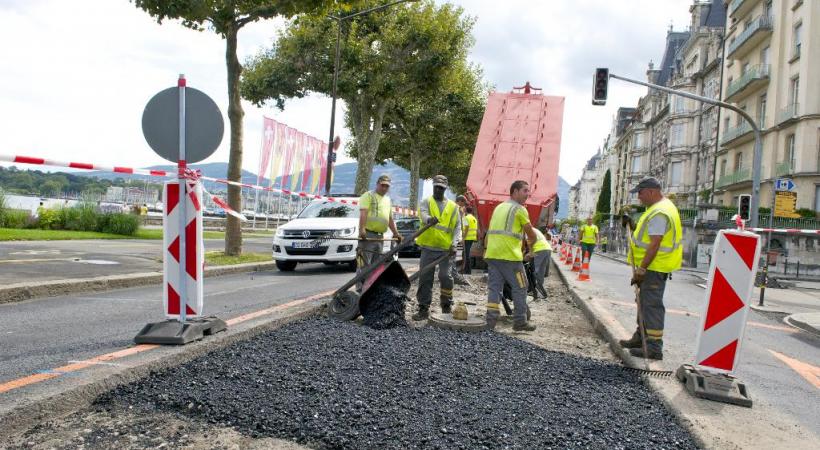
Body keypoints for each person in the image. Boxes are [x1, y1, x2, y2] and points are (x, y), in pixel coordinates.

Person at [618, 177, 682, 360]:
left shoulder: (660, 212)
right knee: (643, 302)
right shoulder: (659, 208)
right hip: (653, 266)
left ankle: (654, 347)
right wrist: (633, 225)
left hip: (654, 267)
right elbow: (648, 235)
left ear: (652, 191)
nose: (639, 197)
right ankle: (641, 338)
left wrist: (642, 269)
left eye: (640, 192)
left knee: (651, 305)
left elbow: (655, 243)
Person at [484, 180, 538, 331]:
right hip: (509, 256)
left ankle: (490, 321)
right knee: (521, 286)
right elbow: (531, 234)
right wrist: (530, 248)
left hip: (493, 254)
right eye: (525, 191)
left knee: (495, 288)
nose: (528, 194)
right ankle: (520, 321)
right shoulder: (520, 209)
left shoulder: (499, 207)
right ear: (514, 191)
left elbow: (491, 231)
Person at [412, 175, 460, 320]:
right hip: (428, 247)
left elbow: (457, 227)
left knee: (445, 276)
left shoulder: (453, 207)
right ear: (433, 186)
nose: (438, 190)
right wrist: (428, 220)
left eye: (441, 188)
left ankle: (446, 305)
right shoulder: (426, 201)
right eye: (436, 187)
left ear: (445, 189)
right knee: (425, 278)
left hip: (446, 250)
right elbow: (423, 214)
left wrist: (454, 243)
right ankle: (423, 308)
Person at [357, 175, 401, 284]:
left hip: (380, 236)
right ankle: (360, 288)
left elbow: (389, 218)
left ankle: (371, 287)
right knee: (363, 263)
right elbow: (364, 213)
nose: (384, 188)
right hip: (368, 235)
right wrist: (362, 229)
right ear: (377, 184)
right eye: (382, 185)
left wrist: (396, 233)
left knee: (376, 264)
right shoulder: (368, 196)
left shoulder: (387, 199)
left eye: (387, 186)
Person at [526, 226, 551, 300]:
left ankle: (532, 290)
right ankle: (539, 290)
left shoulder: (527, 230)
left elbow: (529, 242)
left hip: (539, 249)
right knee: (541, 271)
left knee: (534, 270)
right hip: (547, 248)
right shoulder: (535, 230)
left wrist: (529, 252)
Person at [462, 206, 478, 274]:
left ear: (466, 211)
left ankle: (467, 271)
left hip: (467, 238)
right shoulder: (474, 218)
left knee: (466, 254)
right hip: (472, 238)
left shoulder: (466, 218)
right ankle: (467, 270)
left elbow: (466, 228)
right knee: (468, 254)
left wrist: (463, 237)